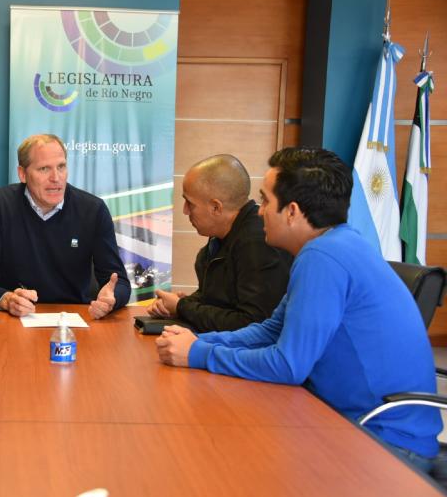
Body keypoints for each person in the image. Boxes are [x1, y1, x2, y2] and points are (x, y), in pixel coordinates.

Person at [155, 147, 442, 472]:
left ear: (291, 211)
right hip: (347, 420)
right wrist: (201, 345)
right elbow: (270, 330)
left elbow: (288, 365)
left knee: (232, 463)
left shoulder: (323, 258)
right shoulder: (334, 244)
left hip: (385, 443)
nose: (259, 211)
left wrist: (198, 355)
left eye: (265, 201)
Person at [0, 133, 130, 318]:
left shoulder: (93, 210)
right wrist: (6, 300)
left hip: (74, 321)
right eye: (44, 169)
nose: (56, 178)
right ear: (22, 174)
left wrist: (111, 299)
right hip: (14, 319)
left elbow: (120, 282)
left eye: (61, 166)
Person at [146, 155, 291, 332]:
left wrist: (182, 307)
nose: (185, 211)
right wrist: (178, 306)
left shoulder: (257, 242)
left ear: (216, 207)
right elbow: (215, 300)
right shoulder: (222, 236)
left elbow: (252, 324)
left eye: (189, 203)